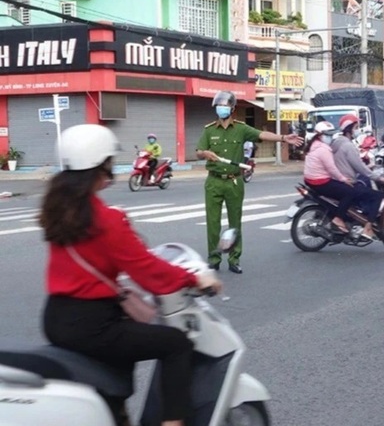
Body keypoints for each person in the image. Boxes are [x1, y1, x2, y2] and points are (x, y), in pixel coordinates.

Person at [39, 124, 222, 426]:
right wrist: (195, 279)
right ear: (101, 166)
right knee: (176, 344)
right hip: (92, 324)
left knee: (121, 353)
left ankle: (116, 413)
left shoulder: (60, 209)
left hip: (57, 317)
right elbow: (148, 270)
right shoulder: (106, 219)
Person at [196, 90, 302, 274]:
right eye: (218, 106)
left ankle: (234, 258)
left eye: (225, 106)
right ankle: (214, 259)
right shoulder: (209, 130)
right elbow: (198, 151)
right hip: (213, 182)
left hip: (234, 182)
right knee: (213, 223)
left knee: (235, 222)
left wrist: (284, 138)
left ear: (232, 108)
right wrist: (204, 153)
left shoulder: (241, 128)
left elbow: (261, 135)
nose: (221, 109)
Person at [333, 113, 384, 240]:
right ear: (349, 129)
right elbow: (360, 167)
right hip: (347, 182)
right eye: (356, 127)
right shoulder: (348, 146)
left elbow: (350, 164)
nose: (358, 130)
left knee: (364, 184)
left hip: (338, 180)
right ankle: (368, 228)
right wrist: (378, 178)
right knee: (377, 196)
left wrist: (367, 168)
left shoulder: (336, 143)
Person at [303, 121, 356, 234]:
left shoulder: (313, 145)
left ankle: (333, 215)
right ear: (319, 134)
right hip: (321, 182)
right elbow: (331, 169)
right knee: (350, 192)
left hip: (309, 181)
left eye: (331, 135)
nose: (330, 137)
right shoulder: (323, 149)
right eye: (327, 135)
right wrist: (343, 179)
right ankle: (338, 219)